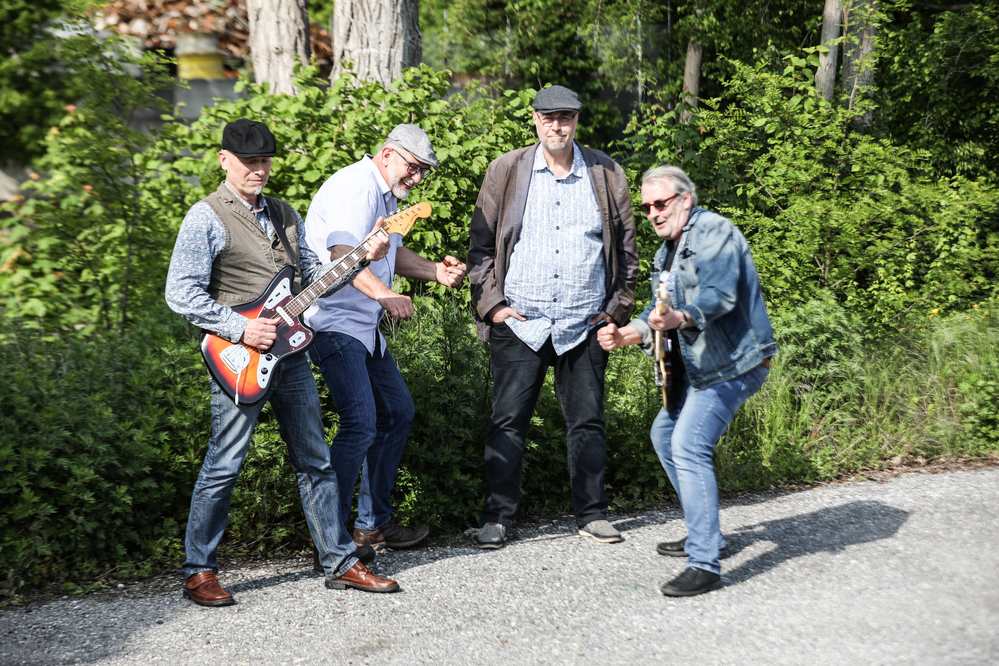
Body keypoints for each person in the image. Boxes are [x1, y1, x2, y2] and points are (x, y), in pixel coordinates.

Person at [165, 118, 400, 605]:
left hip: (290, 356)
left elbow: (319, 278)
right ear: (224, 160)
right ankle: (199, 570)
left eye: (266, 160)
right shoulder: (205, 216)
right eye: (250, 161)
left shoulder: (286, 214)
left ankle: (339, 561)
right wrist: (239, 327)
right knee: (224, 464)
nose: (260, 170)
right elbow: (179, 293)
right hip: (238, 358)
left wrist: (364, 255)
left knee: (315, 461)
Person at [466, 85, 639, 549]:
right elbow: (480, 248)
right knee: (508, 420)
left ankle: (592, 514)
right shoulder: (507, 169)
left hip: (584, 322)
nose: (556, 126)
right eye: (548, 118)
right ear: (536, 121)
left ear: (577, 120)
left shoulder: (605, 172)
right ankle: (497, 518)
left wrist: (614, 312)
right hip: (521, 321)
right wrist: (494, 305)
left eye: (565, 118)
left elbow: (626, 252)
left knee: (588, 422)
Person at [597, 165, 778, 597]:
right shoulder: (668, 251)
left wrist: (681, 317)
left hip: (735, 363)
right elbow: (657, 313)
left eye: (661, 203)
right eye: (647, 207)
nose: (654, 213)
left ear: (685, 200)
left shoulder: (714, 232)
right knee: (665, 435)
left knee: (688, 444)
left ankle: (705, 563)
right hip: (701, 369)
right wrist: (626, 334)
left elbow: (719, 295)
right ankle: (707, 534)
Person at [302, 124, 467, 553]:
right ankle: (332, 537)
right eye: (413, 168)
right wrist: (386, 294)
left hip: (363, 326)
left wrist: (435, 271)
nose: (415, 178)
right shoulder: (356, 188)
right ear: (388, 154)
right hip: (332, 322)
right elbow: (342, 257)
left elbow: (392, 252)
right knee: (360, 423)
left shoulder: (386, 197)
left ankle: (371, 526)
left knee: (398, 412)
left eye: (423, 173)